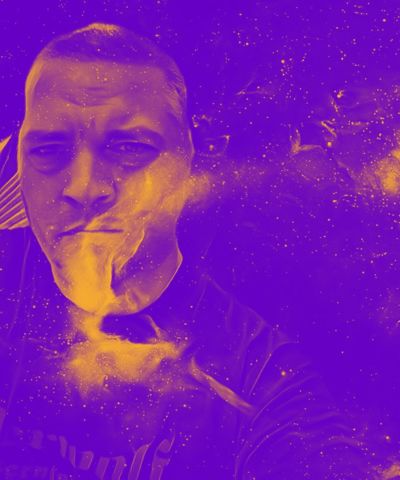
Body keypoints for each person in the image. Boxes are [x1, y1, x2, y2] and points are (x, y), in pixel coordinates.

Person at [0, 23, 378, 479]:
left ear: (188, 159)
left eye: (129, 147)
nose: (84, 187)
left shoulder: (260, 379)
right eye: (48, 150)